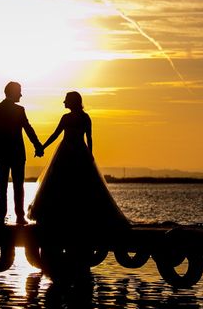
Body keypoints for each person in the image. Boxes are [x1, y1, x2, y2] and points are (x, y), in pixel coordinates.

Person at [28, 91, 129, 232]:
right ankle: (73, 216)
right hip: (76, 152)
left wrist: (90, 155)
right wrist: (42, 147)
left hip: (72, 153)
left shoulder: (73, 118)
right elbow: (82, 138)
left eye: (66, 100)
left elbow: (86, 137)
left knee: (70, 184)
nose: (64, 102)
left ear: (72, 101)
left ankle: (69, 217)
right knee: (73, 184)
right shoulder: (81, 117)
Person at [0, 81, 43, 225]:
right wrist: (37, 146)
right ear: (12, 92)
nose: (21, 94)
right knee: (18, 186)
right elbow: (28, 129)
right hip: (16, 153)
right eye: (19, 91)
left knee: (2, 186)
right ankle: (19, 216)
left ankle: (1, 218)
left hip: (3, 154)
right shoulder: (18, 110)